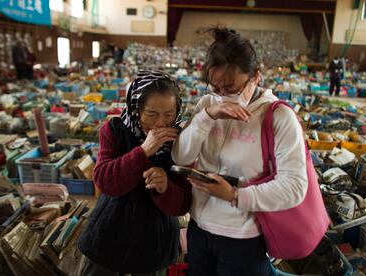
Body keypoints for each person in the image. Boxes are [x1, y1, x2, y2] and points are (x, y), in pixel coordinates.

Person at [172, 27, 308, 276]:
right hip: (200, 231)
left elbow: (295, 187)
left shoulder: (278, 117)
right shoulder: (207, 105)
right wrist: (207, 116)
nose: (223, 95)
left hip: (243, 239)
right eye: (216, 87)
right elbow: (180, 157)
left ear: (255, 76)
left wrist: (236, 195)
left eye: (231, 87)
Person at [78, 71, 192, 276]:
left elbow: (183, 203)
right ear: (136, 109)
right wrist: (142, 152)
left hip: (155, 240)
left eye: (168, 114)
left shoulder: (182, 140)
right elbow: (104, 182)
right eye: (151, 114)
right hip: (111, 230)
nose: (160, 123)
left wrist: (165, 187)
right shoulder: (114, 130)